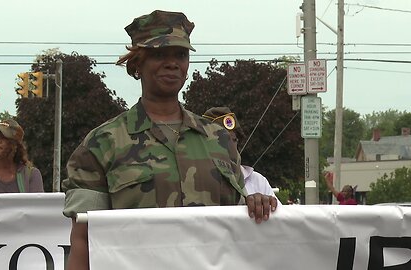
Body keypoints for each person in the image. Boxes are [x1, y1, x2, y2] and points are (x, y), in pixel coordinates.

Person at [62, 10, 277, 270]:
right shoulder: (102, 143)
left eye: (181, 55)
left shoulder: (218, 139)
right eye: (159, 54)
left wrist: (256, 206)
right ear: (137, 64)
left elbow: (238, 229)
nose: (172, 63)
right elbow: (84, 240)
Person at [202, 107, 281, 205]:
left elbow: (281, 218)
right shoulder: (198, 181)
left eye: (233, 139)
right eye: (221, 140)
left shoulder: (257, 181)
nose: (229, 146)